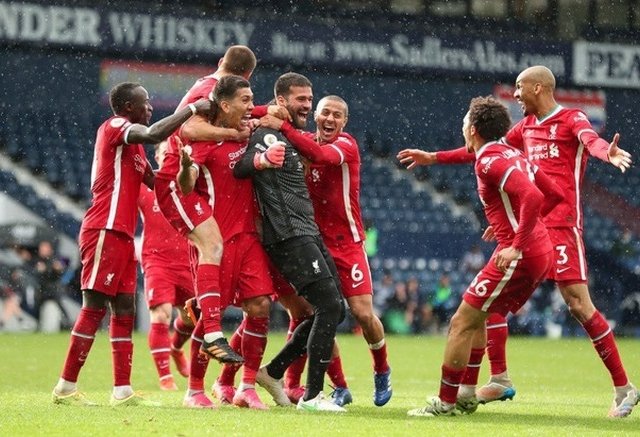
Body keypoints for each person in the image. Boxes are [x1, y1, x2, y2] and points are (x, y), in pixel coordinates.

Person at [398, 65, 637, 418]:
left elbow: (591, 141)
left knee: (578, 305)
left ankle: (623, 387)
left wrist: (608, 153)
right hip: (532, 223)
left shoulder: (572, 118)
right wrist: (435, 158)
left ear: (538, 87)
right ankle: (497, 379)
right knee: (488, 303)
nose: (515, 94)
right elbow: (485, 149)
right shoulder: (524, 127)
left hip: (562, 225)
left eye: (519, 87)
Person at [51, 82, 211, 407]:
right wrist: (192, 110)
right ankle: (65, 387)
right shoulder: (114, 126)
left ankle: (122, 391)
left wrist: (187, 170)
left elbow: (157, 184)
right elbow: (153, 134)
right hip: (104, 228)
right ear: (127, 107)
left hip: (124, 236)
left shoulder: (135, 151)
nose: (150, 107)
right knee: (94, 307)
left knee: (124, 309)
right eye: (146, 102)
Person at [404, 95, 561, 417]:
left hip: (520, 253)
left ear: (473, 129)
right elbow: (554, 194)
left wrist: (517, 241)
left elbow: (533, 195)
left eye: (465, 121)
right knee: (478, 316)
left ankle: (446, 402)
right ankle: (466, 393)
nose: (462, 126)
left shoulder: (490, 160)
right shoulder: (510, 152)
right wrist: (511, 221)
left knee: (460, 322)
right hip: (538, 249)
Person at [260, 93, 393, 406]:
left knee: (362, 313)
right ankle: (339, 386)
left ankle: (381, 368)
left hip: (347, 243)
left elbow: (320, 156)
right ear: (316, 116)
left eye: (337, 115)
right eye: (325, 113)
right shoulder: (303, 141)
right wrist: (265, 112)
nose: (330, 119)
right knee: (324, 312)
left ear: (344, 121)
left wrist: (283, 126)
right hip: (315, 243)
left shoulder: (346, 145)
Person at [234, 72, 346, 413]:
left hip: (307, 231)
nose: (307, 105)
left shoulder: (289, 134)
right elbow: (240, 167)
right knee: (328, 306)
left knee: (336, 309)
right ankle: (311, 397)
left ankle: (272, 372)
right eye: (301, 99)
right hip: (288, 235)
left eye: (310, 99)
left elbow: (316, 154)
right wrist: (262, 158)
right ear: (281, 100)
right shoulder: (267, 134)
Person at [154, 46, 260, 368]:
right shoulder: (210, 89)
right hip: (177, 178)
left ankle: (199, 321)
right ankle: (212, 334)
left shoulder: (213, 87)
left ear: (221, 63)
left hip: (193, 178)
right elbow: (189, 129)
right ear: (245, 76)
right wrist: (234, 134)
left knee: (215, 255)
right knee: (212, 247)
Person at [175, 75, 275, 410]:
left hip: (249, 238)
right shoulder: (205, 140)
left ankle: (246, 386)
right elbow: (187, 185)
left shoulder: (249, 133)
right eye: (245, 100)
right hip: (216, 241)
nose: (251, 106)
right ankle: (194, 390)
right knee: (210, 318)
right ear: (225, 104)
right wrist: (185, 168)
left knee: (260, 306)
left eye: (252, 99)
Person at [137, 140, 194, 391]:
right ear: (157, 158)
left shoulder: (189, 183)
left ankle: (176, 347)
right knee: (161, 314)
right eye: (164, 152)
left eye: (173, 153)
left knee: (192, 318)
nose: (169, 156)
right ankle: (165, 379)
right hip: (157, 260)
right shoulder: (145, 187)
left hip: (188, 260)